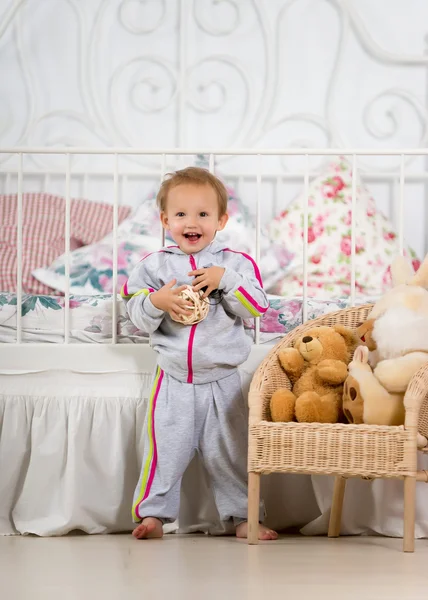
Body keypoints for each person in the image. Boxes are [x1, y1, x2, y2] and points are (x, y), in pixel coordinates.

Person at [122, 166, 278, 541]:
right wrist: (156, 301)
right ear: (165, 220)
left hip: (222, 379)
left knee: (230, 453)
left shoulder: (235, 264)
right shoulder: (154, 266)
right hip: (174, 378)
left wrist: (225, 280)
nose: (192, 222)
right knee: (164, 452)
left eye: (203, 214)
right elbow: (136, 316)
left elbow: (256, 306)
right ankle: (153, 516)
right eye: (180, 214)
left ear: (221, 220)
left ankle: (243, 517)